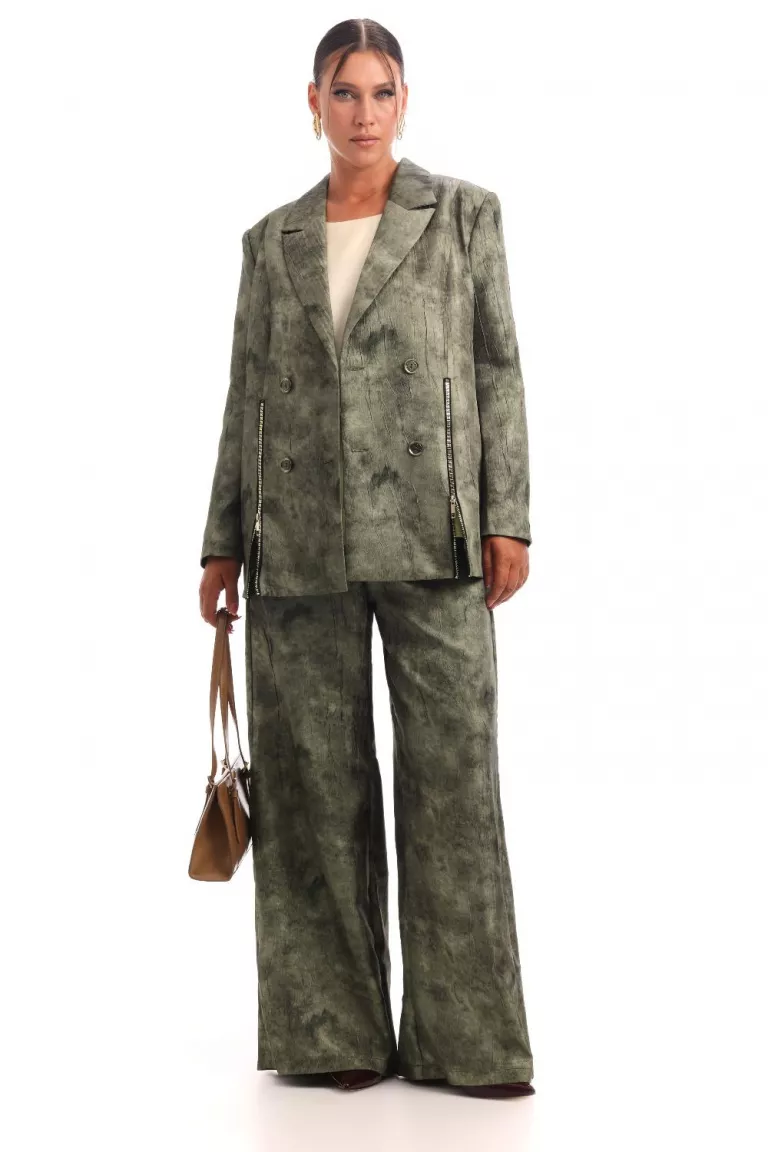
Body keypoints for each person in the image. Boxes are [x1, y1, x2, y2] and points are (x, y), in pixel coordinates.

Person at [198, 18, 536, 1099]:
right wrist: (221, 539)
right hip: (295, 536)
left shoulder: (465, 215)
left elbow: (497, 370)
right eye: (343, 93)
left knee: (453, 783)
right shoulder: (271, 241)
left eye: (381, 92)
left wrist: (509, 514)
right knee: (311, 786)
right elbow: (246, 393)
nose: (363, 113)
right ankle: (330, 1031)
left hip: (435, 531)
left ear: (405, 101)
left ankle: (469, 1042)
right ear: (313, 103)